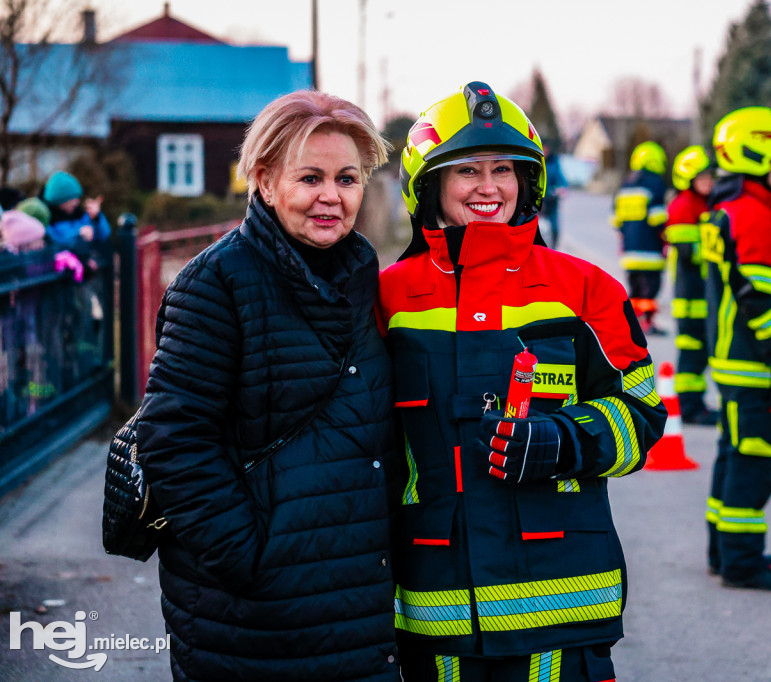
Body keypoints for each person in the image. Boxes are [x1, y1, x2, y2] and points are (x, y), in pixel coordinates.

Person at [378, 81, 666, 681]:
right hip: (436, 616)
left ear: (528, 182)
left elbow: (643, 417)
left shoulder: (587, 290)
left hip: (564, 613)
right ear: (427, 186)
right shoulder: (388, 299)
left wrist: (566, 440)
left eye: (504, 170)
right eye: (467, 171)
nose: (489, 187)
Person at [135, 90, 401, 681]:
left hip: (358, 602)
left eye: (347, 179)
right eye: (310, 178)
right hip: (254, 620)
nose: (332, 196)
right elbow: (173, 438)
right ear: (264, 179)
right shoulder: (217, 284)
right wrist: (249, 557)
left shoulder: (360, 276)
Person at [700, 106, 771, 591]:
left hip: (734, 366)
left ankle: (722, 552)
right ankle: (742, 562)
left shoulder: (729, 210)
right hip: (755, 369)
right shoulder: (754, 217)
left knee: (733, 456)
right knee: (753, 462)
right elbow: (759, 298)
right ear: (757, 153)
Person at [665, 145, 718, 426]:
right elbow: (690, 251)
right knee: (692, 354)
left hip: (703, 296)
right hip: (690, 298)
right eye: (702, 178)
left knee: (699, 354)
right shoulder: (684, 206)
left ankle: (695, 405)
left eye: (710, 177)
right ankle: (690, 408)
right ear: (688, 179)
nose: (708, 182)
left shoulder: (704, 204)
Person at [611, 140, 669, 335]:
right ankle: (647, 324)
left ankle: (632, 322)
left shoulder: (625, 184)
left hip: (629, 249)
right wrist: (665, 240)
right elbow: (657, 219)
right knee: (650, 289)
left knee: (635, 289)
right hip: (650, 249)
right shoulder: (655, 184)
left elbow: (615, 220)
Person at [40, 171, 111, 250]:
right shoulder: (47, 222)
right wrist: (78, 235)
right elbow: (55, 245)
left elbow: (104, 235)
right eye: (72, 198)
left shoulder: (80, 214)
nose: (77, 202)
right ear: (59, 200)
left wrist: (96, 218)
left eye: (77, 197)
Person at [539, 138, 568, 248]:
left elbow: (561, 179)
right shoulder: (534, 161)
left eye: (546, 149)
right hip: (536, 200)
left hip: (551, 200)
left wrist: (562, 189)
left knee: (555, 227)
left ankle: (554, 249)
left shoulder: (554, 162)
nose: (544, 152)